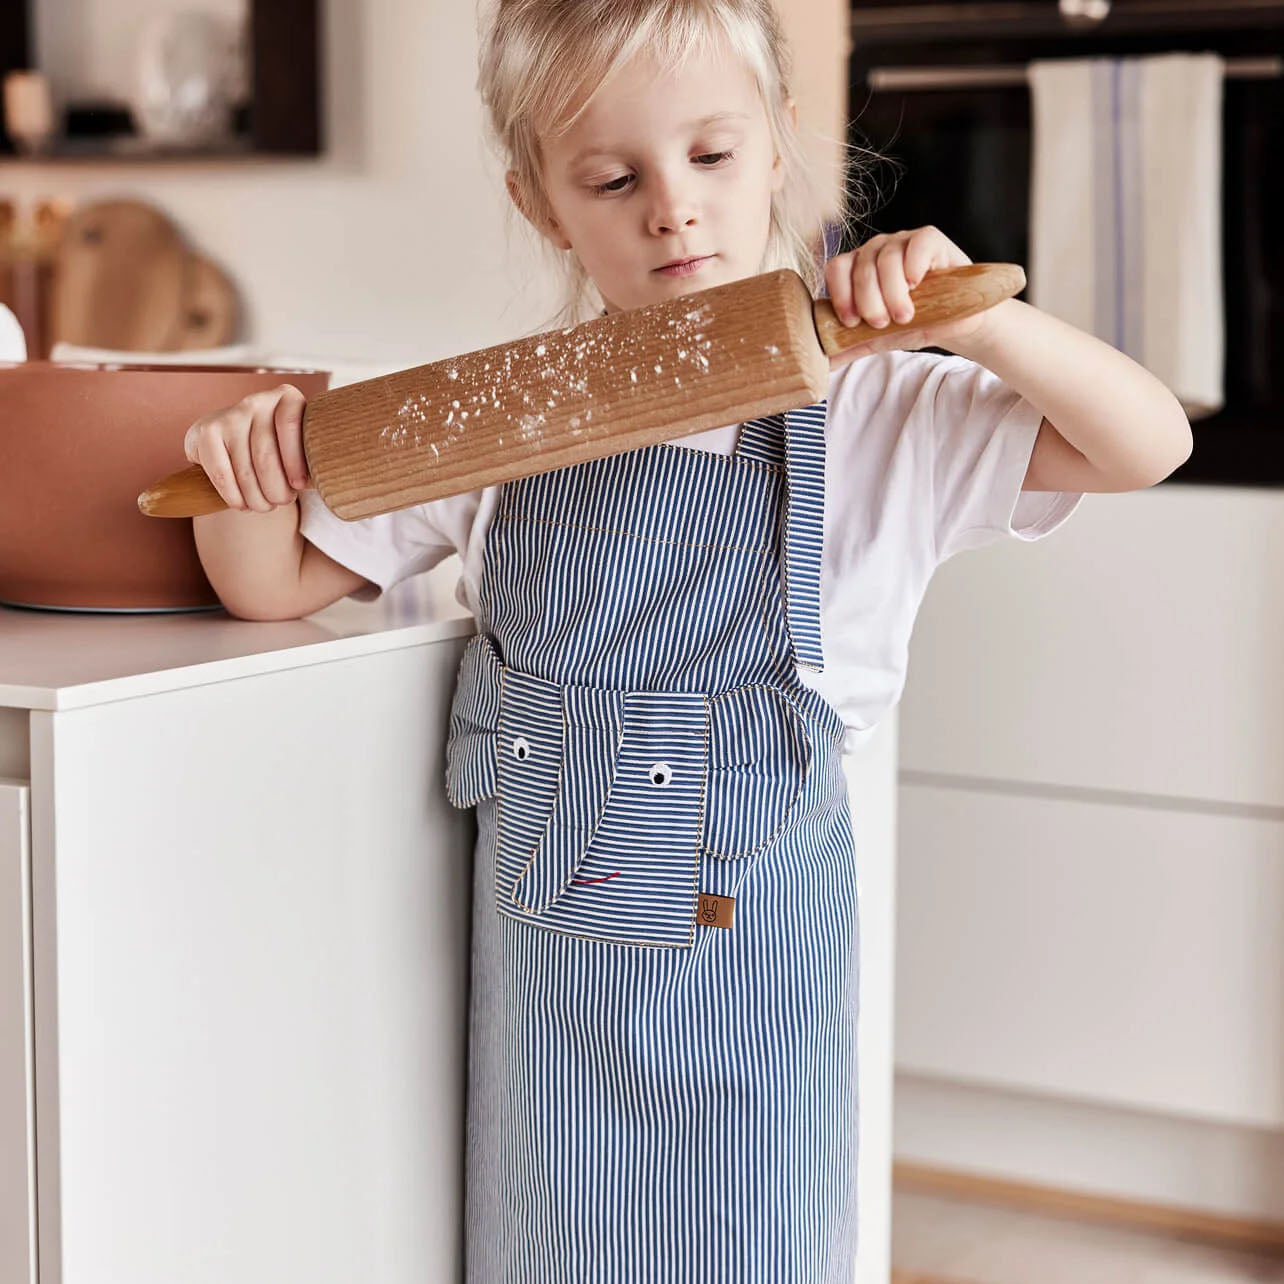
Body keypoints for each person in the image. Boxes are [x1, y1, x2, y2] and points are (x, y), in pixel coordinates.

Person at [185, 2, 1193, 1278]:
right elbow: (272, 585)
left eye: (712, 157)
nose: (672, 207)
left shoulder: (880, 407)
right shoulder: (513, 411)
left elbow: (1147, 443)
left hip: (754, 1023)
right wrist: (242, 481)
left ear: (779, 149)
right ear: (545, 205)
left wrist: (972, 319)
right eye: (613, 178)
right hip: (549, 1034)